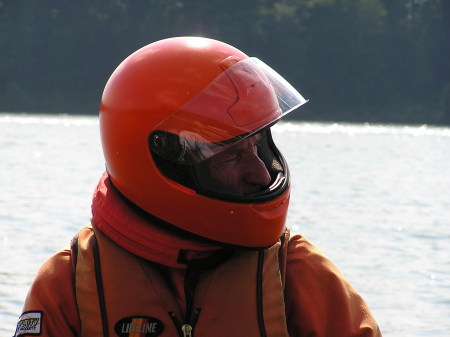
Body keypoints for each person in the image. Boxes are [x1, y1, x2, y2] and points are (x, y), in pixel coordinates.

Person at [14, 36, 382, 337]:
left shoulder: (295, 270)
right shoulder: (71, 282)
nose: (261, 174)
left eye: (258, 147)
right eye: (231, 156)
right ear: (167, 164)